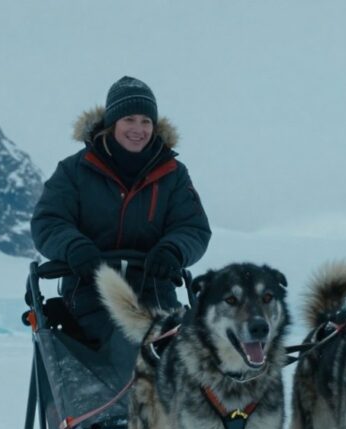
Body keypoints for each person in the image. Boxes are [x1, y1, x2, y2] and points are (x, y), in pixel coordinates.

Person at [31, 76, 212, 349]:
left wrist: (173, 250)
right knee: (122, 344)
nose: (138, 129)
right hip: (90, 292)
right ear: (112, 122)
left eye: (146, 121)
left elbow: (193, 228)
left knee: (185, 353)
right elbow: (49, 221)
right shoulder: (73, 171)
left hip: (156, 292)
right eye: (129, 119)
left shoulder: (173, 174)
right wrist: (74, 247)